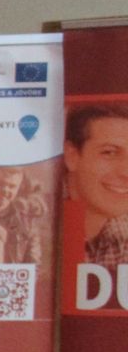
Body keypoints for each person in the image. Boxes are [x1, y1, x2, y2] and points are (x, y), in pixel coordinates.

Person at [65, 101, 128, 266]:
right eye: (110, 153)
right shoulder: (37, 225)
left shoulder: (121, 227)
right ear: (72, 156)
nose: (126, 172)